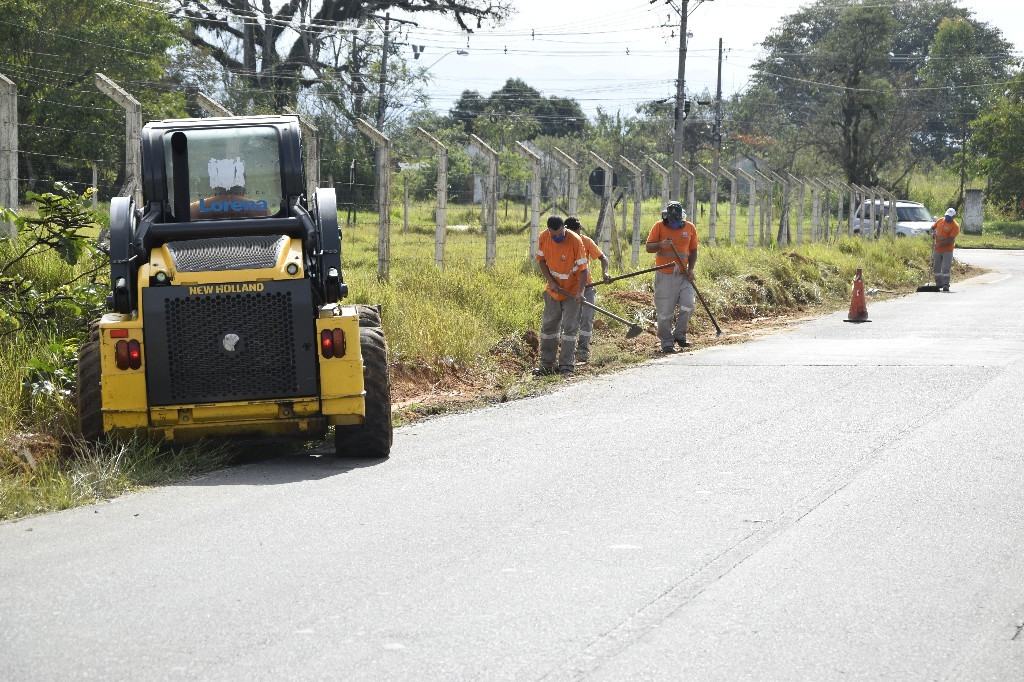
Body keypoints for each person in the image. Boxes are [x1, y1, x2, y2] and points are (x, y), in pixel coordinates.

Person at [535, 215, 589, 375]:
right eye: (554, 235)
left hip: (572, 292)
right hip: (554, 291)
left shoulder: (575, 241)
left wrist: (580, 292)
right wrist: (551, 282)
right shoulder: (544, 237)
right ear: (549, 231)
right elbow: (541, 261)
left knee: (569, 329)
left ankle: (566, 366)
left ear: (564, 228)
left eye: (560, 234)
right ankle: (546, 365)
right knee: (548, 327)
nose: (558, 237)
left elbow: (584, 270)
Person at [645, 200, 699, 353]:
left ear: (682, 218)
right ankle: (666, 342)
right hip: (665, 276)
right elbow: (649, 247)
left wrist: (691, 269)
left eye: (677, 221)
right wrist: (661, 244)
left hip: (684, 275)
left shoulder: (690, 227)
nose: (673, 224)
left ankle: (680, 335)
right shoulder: (659, 226)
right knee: (664, 312)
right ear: (666, 217)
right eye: (671, 221)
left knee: (689, 304)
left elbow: (693, 251)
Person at [564, 216, 611, 364]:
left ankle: (583, 350)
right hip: (569, 290)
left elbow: (603, 258)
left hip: (587, 287)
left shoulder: (586, 242)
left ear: (578, 230)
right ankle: (568, 353)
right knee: (570, 322)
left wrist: (605, 273)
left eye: (574, 233)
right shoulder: (561, 242)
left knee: (586, 320)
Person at [931, 208, 960, 292]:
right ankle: (938, 283)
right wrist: (933, 233)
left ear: (954, 217)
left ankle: (945, 285)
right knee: (936, 267)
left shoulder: (955, 226)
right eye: (947, 215)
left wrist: (938, 244)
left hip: (947, 250)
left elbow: (950, 240)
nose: (948, 218)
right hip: (937, 250)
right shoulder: (940, 220)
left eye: (950, 216)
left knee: (945, 268)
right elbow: (932, 228)